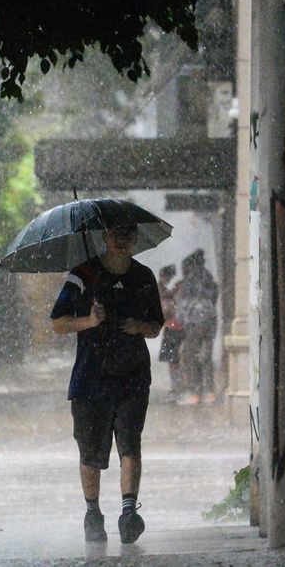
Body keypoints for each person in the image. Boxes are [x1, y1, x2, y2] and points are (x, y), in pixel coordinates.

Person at [50, 224, 165, 544]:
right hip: (90, 379)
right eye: (116, 233)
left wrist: (138, 326)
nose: (122, 239)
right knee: (90, 452)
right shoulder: (82, 276)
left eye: (127, 234)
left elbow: (156, 326)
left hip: (133, 376)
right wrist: (89, 321)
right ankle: (93, 513)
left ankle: (129, 513)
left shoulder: (143, 277)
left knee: (130, 443)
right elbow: (57, 322)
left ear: (135, 238)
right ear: (104, 237)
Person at [176, 249, 220, 405]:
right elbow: (213, 297)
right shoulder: (208, 277)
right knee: (206, 356)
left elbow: (184, 303)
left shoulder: (190, 280)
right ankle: (209, 391)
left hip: (195, 321)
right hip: (210, 320)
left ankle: (195, 392)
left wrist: (181, 319)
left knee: (190, 355)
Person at [156, 265, 187, 401]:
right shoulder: (161, 289)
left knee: (174, 360)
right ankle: (177, 388)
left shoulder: (165, 290)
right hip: (173, 327)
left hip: (173, 328)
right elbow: (164, 304)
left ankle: (177, 388)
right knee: (174, 360)